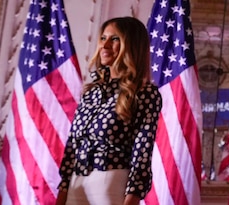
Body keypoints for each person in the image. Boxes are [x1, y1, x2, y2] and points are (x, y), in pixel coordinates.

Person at [56, 17, 162, 205]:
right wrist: (63, 190)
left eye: (114, 39)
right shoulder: (91, 92)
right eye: (103, 38)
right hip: (75, 182)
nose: (105, 45)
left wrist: (132, 198)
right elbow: (72, 145)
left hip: (110, 183)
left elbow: (142, 152)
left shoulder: (144, 93)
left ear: (130, 46)